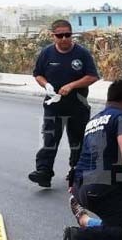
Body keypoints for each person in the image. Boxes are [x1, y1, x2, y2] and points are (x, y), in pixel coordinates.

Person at [65, 80, 122, 240]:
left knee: (117, 221)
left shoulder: (94, 120)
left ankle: (85, 221)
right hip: (101, 189)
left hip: (81, 187)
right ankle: (81, 239)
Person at [28, 19, 99, 188]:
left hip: (78, 105)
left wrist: (72, 85)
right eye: (60, 36)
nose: (64, 39)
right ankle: (44, 172)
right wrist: (46, 84)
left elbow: (92, 76)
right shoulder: (46, 53)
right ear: (53, 36)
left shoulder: (82, 54)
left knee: (78, 141)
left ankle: (76, 171)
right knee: (50, 139)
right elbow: (38, 74)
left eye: (67, 35)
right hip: (54, 105)